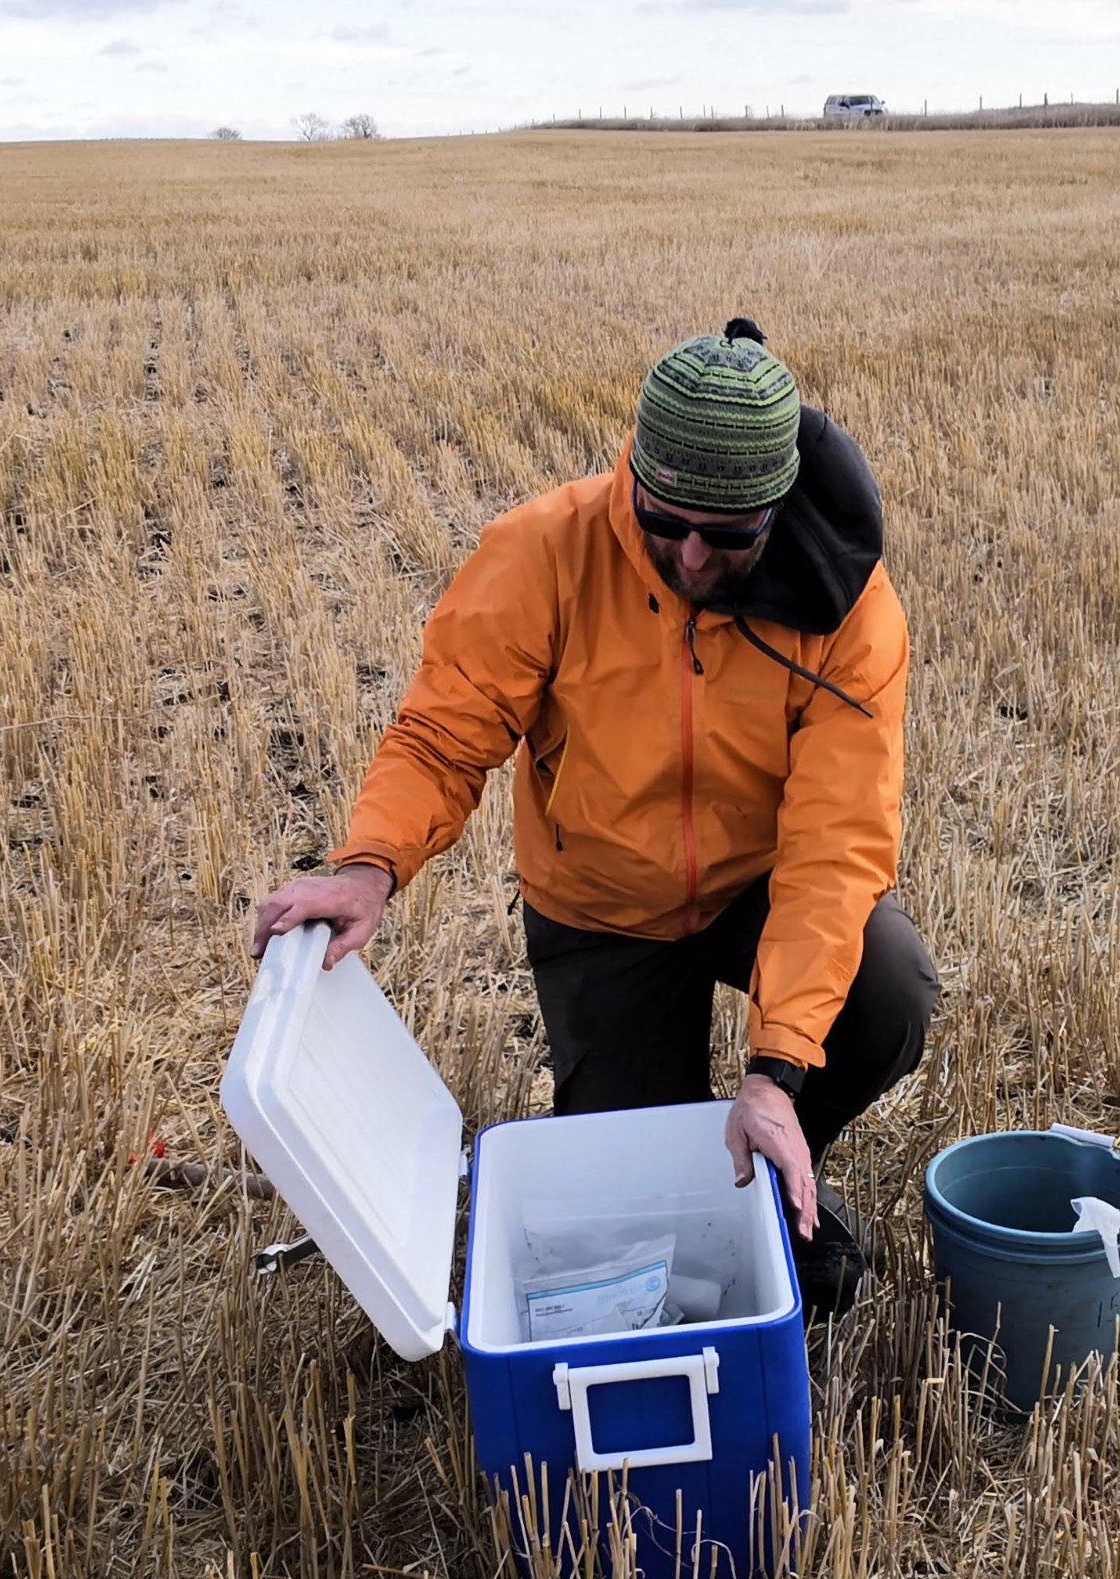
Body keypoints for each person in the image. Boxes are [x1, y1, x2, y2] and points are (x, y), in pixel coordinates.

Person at [247, 318, 933, 1317]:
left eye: (728, 537)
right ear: (632, 480)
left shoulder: (849, 611)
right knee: (631, 1209)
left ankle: (779, 1168)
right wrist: (369, 864)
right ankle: (719, 1186)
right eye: (664, 522)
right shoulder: (545, 552)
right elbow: (446, 733)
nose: (691, 557)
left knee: (890, 988)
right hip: (601, 906)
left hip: (755, 888)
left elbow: (836, 851)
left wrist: (776, 1068)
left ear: (775, 514)